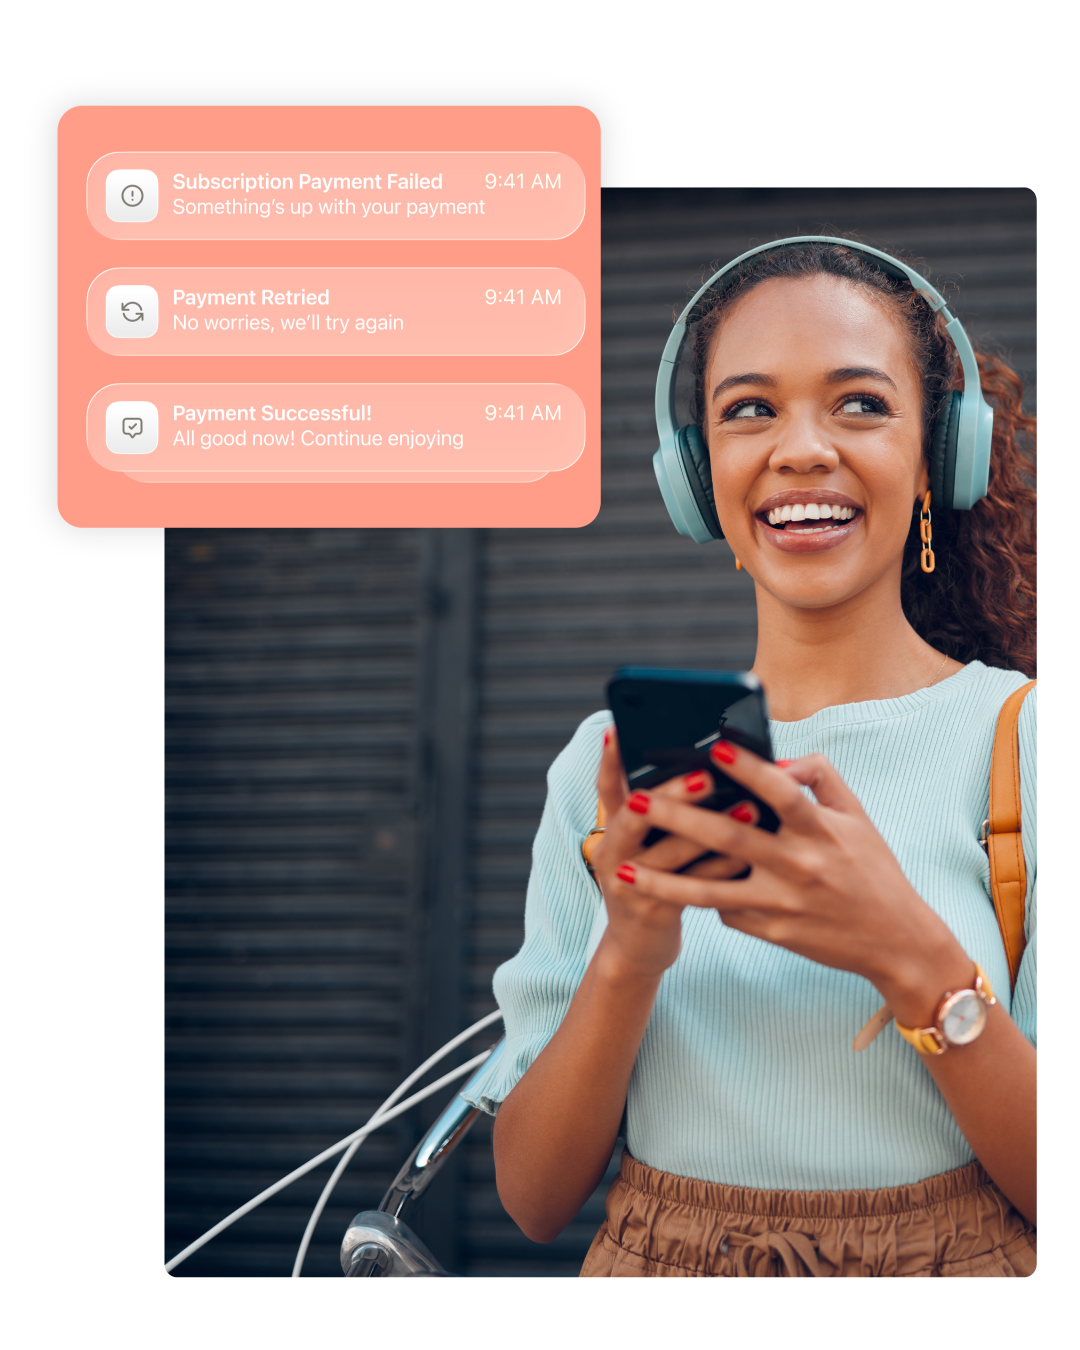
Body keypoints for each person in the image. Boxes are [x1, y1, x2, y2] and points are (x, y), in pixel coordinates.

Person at [464, 240, 1037, 1278]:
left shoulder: (1023, 743)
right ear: (697, 478)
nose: (802, 449)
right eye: (749, 409)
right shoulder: (603, 768)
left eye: (859, 404)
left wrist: (909, 955)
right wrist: (631, 948)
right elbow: (536, 1199)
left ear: (937, 455)